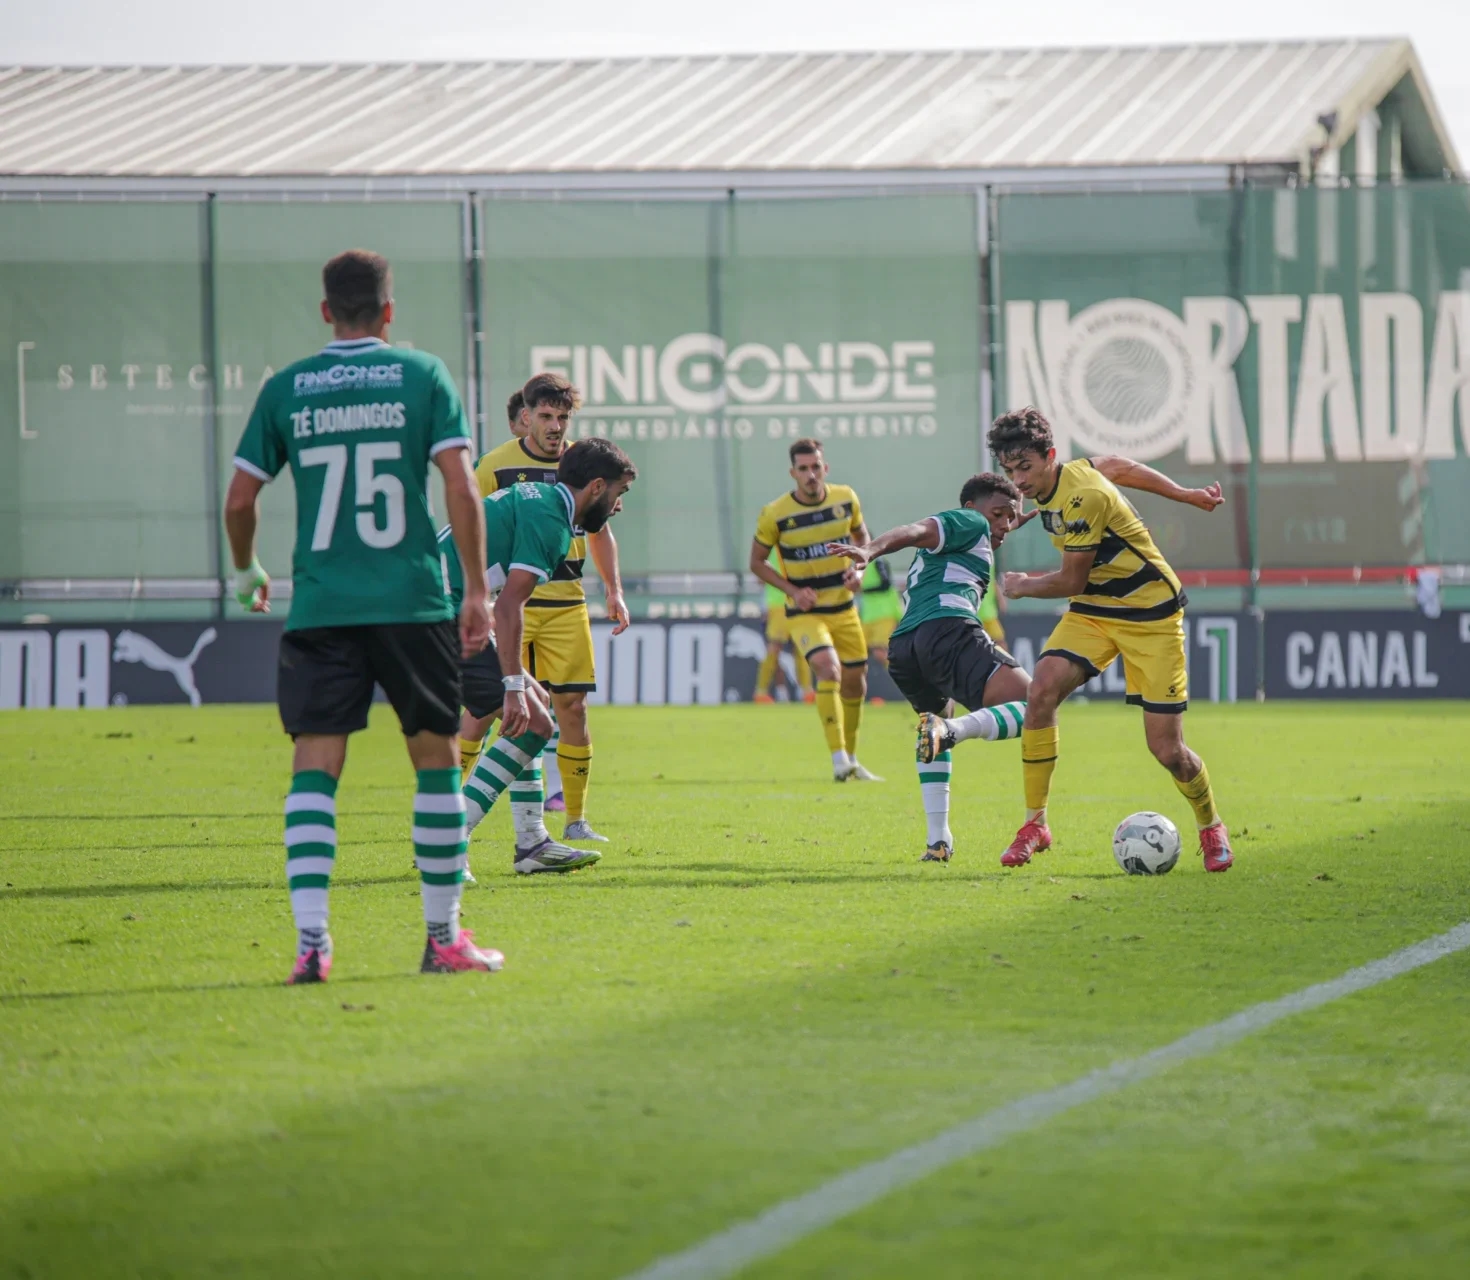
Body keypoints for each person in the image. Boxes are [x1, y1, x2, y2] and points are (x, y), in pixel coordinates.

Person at [223, 248, 500, 984]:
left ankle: (312, 943)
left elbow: (240, 501)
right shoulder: (422, 375)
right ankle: (443, 939)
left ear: (324, 312)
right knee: (435, 760)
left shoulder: (288, 388)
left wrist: (247, 568)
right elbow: (462, 489)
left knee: (316, 764)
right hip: (412, 601)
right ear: (388, 310)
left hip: (322, 607)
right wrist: (475, 589)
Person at [987, 406, 1233, 872]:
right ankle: (1034, 824)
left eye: (1025, 468)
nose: (1017, 480)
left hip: (1150, 616)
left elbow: (1070, 581)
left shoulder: (1084, 497)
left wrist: (1021, 585)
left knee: (1167, 751)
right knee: (1040, 692)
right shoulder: (1066, 475)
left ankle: (1210, 825)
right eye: (1009, 470)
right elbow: (1121, 465)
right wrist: (1186, 494)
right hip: (1096, 612)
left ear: (1051, 456)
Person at [445, 439, 637, 874]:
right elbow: (512, 605)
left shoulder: (541, 498)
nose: (617, 507)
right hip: (438, 613)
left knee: (536, 714)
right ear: (596, 486)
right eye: (617, 495)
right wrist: (513, 685)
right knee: (530, 718)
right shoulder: (551, 520)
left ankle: (531, 843)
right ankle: (449, 842)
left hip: (446, 604)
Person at [831, 474, 1030, 862]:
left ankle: (938, 840)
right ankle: (953, 731)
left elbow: (999, 521)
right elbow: (916, 529)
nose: (1006, 523)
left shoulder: (976, 531)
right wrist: (870, 549)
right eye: (999, 514)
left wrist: (1021, 512)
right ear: (972, 509)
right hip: (947, 629)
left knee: (933, 729)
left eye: (1012, 517)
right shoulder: (968, 521)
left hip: (905, 647)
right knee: (1036, 702)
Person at [474, 373, 629, 842]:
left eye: (563, 417)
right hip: (509, 602)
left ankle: (571, 822)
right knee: (484, 711)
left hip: (565, 601)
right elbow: (476, 530)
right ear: (525, 417)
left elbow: (599, 533)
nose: (556, 426)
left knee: (570, 710)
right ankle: (455, 815)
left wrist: (613, 589)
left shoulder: (585, 464)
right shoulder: (494, 464)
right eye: (545, 416)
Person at [750, 439, 881, 782]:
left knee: (855, 684)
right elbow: (757, 563)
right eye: (803, 469)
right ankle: (838, 758)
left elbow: (863, 538)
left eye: (816, 467)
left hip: (844, 608)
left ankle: (851, 758)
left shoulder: (845, 499)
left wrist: (860, 570)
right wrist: (793, 590)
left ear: (826, 468)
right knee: (827, 669)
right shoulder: (775, 514)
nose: (811, 475)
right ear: (792, 473)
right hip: (805, 612)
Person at [754, 547, 813, 703]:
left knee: (798, 647)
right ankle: (762, 692)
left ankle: (806, 691)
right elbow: (760, 576)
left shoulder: (777, 543)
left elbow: (759, 578)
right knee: (780, 648)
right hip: (780, 604)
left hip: (794, 603)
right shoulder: (773, 544)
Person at [858, 556, 904, 670]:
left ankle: (905, 678)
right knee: (856, 651)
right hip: (868, 617)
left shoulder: (878, 561)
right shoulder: (855, 567)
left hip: (885, 613)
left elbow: (886, 583)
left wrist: (863, 589)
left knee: (880, 652)